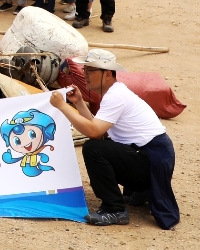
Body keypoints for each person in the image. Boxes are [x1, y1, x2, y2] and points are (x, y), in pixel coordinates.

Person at [50, 50, 179, 229]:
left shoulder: (115, 96)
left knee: (93, 148)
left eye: (90, 71)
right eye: (85, 69)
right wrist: (79, 103)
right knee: (102, 145)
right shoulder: (114, 93)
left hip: (153, 158)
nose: (84, 74)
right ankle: (140, 192)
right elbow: (100, 130)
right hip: (153, 156)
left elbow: (95, 133)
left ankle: (115, 209)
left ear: (107, 74)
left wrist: (63, 107)